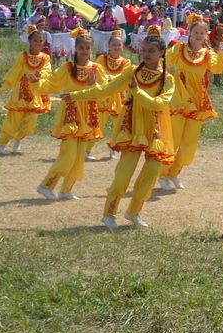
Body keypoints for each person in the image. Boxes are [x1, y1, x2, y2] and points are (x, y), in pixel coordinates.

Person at [62, 28, 176, 230]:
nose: (147, 54)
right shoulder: (131, 72)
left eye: (152, 51)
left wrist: (136, 92)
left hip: (156, 131)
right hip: (131, 129)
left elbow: (158, 104)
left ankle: (134, 212)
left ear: (161, 53)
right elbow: (105, 89)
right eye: (144, 50)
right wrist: (77, 95)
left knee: (149, 177)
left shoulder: (167, 79)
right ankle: (109, 214)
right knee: (123, 175)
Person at [158, 16, 223, 191]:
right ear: (189, 33)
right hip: (179, 99)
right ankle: (162, 174)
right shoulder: (179, 49)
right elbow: (164, 62)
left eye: (202, 33)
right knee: (173, 139)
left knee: (189, 146)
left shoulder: (208, 54)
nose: (198, 35)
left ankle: (174, 172)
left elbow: (216, 69)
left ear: (206, 35)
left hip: (197, 102)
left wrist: (221, 54)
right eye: (195, 32)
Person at [34, 28, 105, 202]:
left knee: (80, 156)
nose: (85, 51)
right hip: (71, 115)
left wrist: (94, 84)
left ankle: (66, 190)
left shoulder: (96, 69)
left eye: (88, 48)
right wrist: (38, 82)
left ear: (92, 50)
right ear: (76, 49)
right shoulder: (67, 68)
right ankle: (46, 185)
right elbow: (51, 84)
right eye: (82, 48)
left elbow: (105, 91)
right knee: (69, 154)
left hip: (87, 115)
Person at [0, 26, 53, 155]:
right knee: (13, 120)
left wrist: (39, 75)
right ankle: (0, 144)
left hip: (35, 94)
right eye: (35, 40)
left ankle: (18, 140)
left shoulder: (45, 58)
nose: (38, 43)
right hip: (20, 95)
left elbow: (47, 71)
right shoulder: (23, 56)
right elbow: (14, 73)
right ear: (29, 41)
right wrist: (2, 88)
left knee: (31, 123)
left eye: (40, 41)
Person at [89, 30, 131, 161]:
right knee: (97, 124)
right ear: (109, 46)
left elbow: (125, 77)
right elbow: (97, 73)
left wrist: (110, 78)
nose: (116, 47)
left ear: (122, 46)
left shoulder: (126, 62)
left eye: (119, 44)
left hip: (119, 98)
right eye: (114, 44)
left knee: (118, 125)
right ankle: (87, 150)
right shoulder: (102, 59)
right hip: (104, 97)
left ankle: (114, 148)